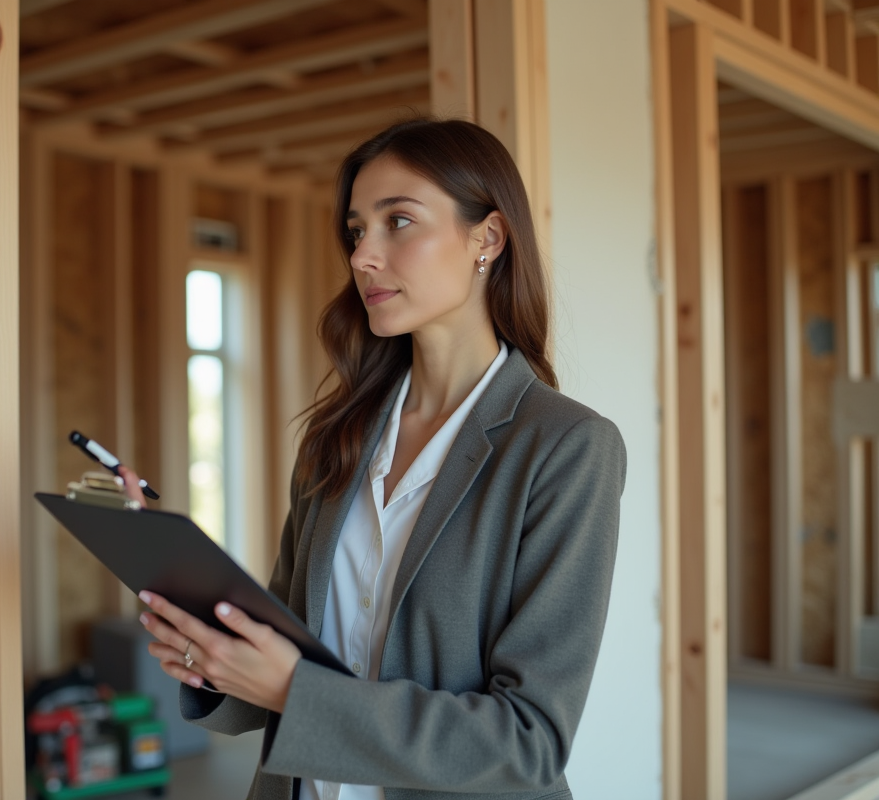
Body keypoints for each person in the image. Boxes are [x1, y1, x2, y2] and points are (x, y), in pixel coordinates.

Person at [123, 118, 626, 800]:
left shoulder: (566, 448)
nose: (363, 256)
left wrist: (295, 690)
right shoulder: (336, 435)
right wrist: (209, 649)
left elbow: (528, 743)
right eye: (358, 230)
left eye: (399, 221)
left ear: (488, 238)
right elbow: (289, 643)